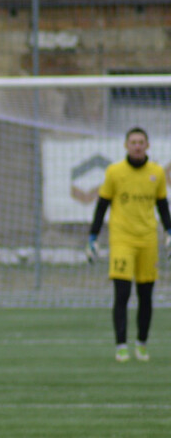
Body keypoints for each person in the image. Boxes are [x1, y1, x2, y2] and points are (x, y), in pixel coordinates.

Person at [87, 126, 171, 362]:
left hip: (147, 240)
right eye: (133, 142)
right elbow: (102, 204)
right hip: (122, 239)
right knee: (122, 293)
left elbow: (162, 206)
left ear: (147, 145)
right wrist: (92, 236)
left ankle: (142, 343)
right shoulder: (115, 172)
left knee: (146, 295)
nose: (137, 145)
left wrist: (169, 231)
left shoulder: (156, 172)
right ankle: (121, 345)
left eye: (141, 142)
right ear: (125, 145)